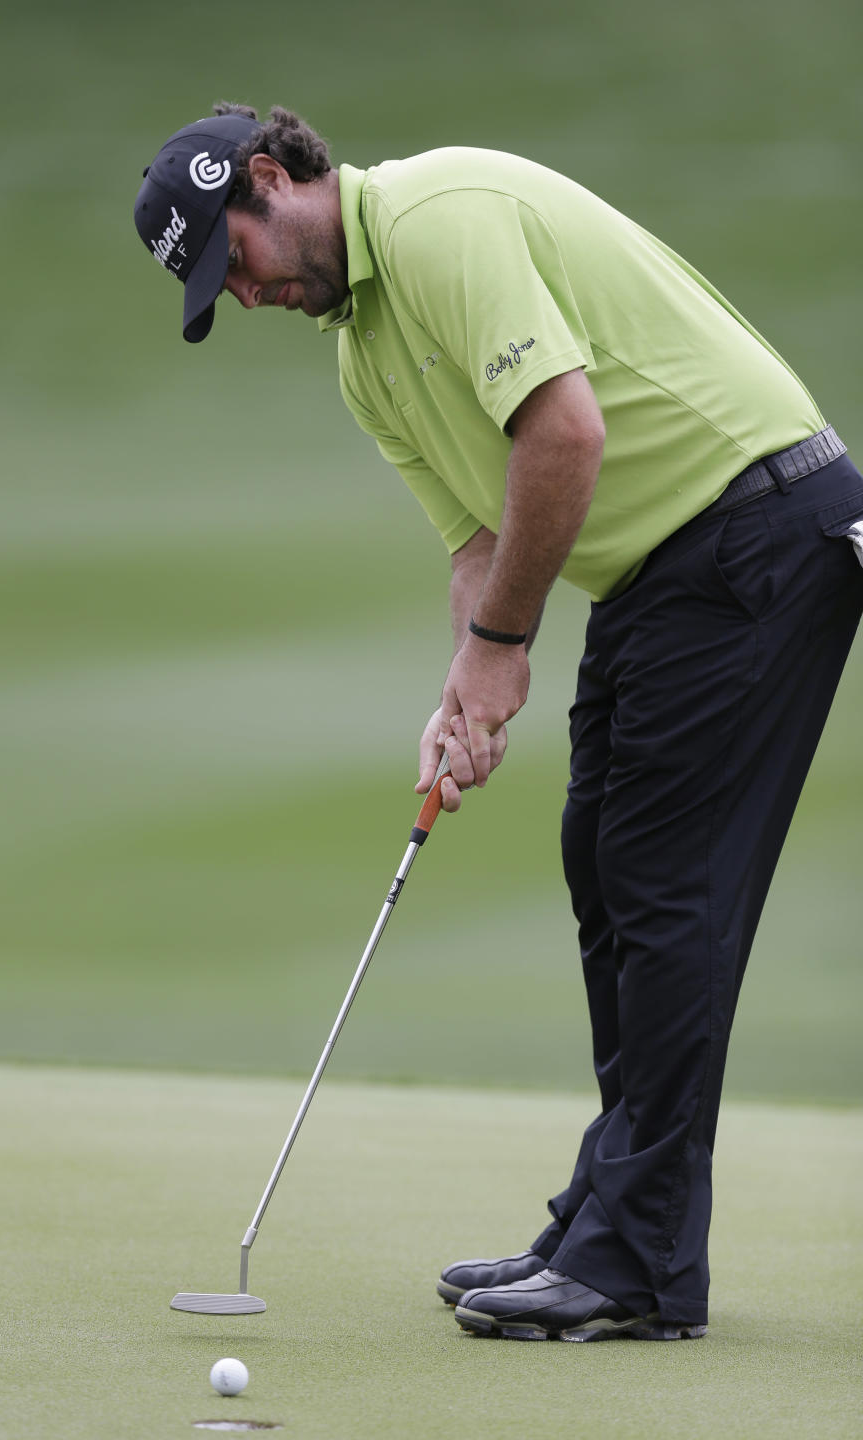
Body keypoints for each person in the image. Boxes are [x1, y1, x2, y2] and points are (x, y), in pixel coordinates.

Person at [133, 104, 863, 1342]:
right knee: (604, 865)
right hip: (664, 572)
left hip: (762, 529)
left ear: (271, 180)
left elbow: (564, 431)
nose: (242, 299)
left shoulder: (436, 219)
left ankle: (634, 1265)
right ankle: (611, 1226)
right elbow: (480, 542)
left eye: (232, 263)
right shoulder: (367, 358)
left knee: (665, 888)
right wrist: (462, 698)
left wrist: (504, 650)